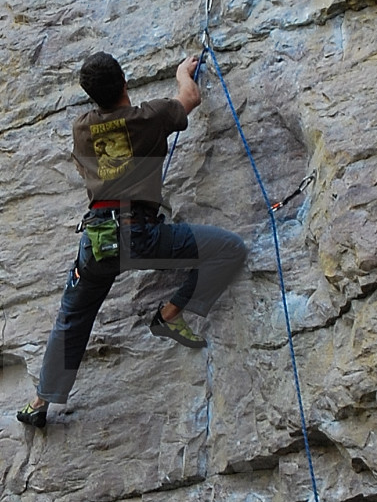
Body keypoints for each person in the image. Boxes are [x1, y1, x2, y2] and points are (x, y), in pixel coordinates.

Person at [17, 50, 247, 427]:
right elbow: (189, 98)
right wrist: (181, 74)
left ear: (92, 97)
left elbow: (84, 165)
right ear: (125, 83)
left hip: (96, 239)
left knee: (72, 317)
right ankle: (169, 315)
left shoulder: (81, 129)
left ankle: (39, 403)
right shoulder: (149, 117)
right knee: (228, 249)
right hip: (140, 234)